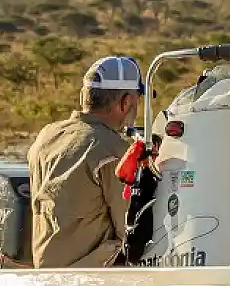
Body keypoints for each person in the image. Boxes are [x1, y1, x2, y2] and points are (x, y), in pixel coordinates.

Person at [27, 56, 143, 268]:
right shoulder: (114, 150)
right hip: (87, 274)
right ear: (125, 102)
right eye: (137, 100)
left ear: (85, 95)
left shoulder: (47, 135)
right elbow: (128, 227)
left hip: (45, 268)